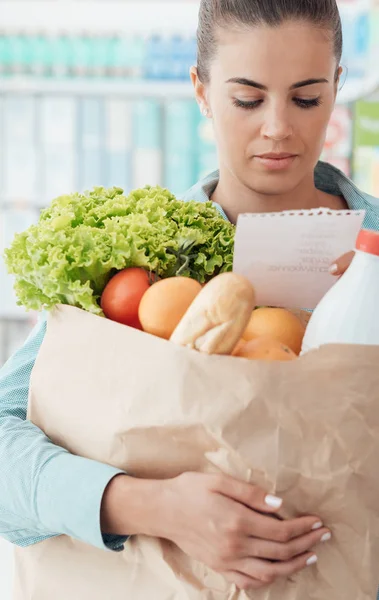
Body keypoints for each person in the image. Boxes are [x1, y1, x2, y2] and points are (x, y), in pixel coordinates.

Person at [1, 0, 379, 594]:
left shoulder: (375, 254)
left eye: (306, 98)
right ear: (201, 91)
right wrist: (149, 506)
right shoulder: (130, 266)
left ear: (336, 87)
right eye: (247, 99)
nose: (278, 127)